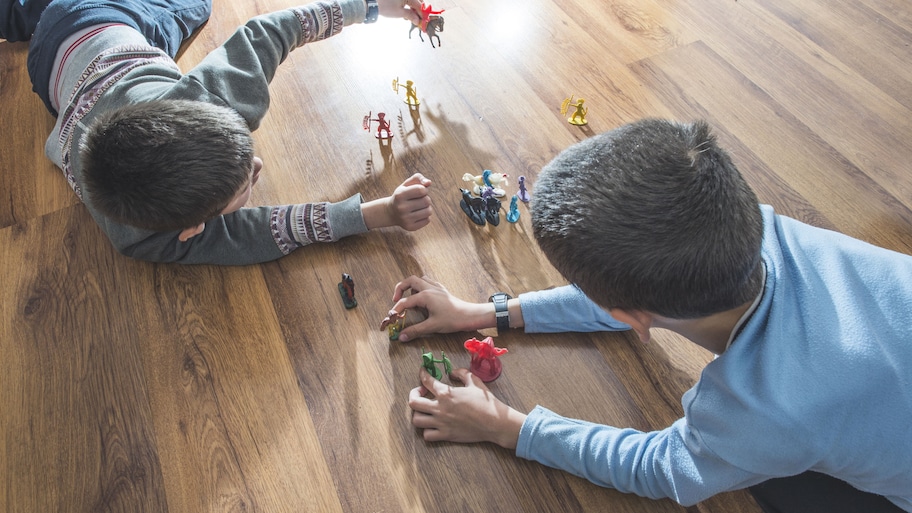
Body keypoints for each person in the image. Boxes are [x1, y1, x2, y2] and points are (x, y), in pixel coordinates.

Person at [387, 119, 912, 512]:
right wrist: (481, 313)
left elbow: (661, 466)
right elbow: (638, 291)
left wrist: (505, 425)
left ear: (625, 315)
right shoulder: (762, 227)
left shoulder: (765, 413)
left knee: (773, 481)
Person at [1, 0, 432, 265]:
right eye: (244, 187)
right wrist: (375, 214)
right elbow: (258, 233)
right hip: (57, 57)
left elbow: (272, 31)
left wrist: (370, 7)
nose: (257, 165)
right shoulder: (137, 239)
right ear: (190, 231)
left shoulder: (203, 94)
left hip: (98, 23)